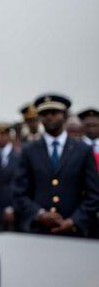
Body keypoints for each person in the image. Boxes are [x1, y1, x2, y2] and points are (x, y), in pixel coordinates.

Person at [13, 94, 99, 237]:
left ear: (64, 115)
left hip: (74, 232)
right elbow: (19, 193)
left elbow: (93, 195)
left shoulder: (82, 150)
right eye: (45, 113)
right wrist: (39, 214)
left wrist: (73, 221)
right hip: (39, 231)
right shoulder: (29, 150)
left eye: (54, 112)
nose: (50, 117)